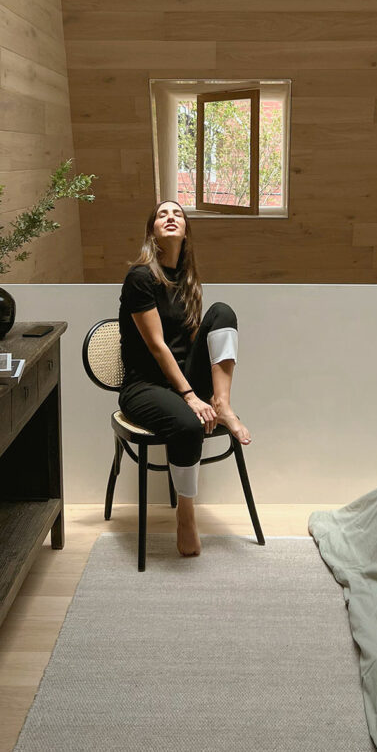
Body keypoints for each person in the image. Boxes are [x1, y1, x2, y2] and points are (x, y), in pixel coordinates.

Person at [118, 199, 251, 558]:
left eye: (177, 213)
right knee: (189, 425)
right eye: (161, 214)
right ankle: (186, 517)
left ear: (186, 230)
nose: (170, 217)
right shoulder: (141, 278)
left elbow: (191, 344)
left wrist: (202, 393)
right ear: (152, 231)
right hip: (144, 386)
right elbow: (159, 346)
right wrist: (190, 396)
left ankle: (222, 403)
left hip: (183, 381)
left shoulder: (187, 280)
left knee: (223, 311)